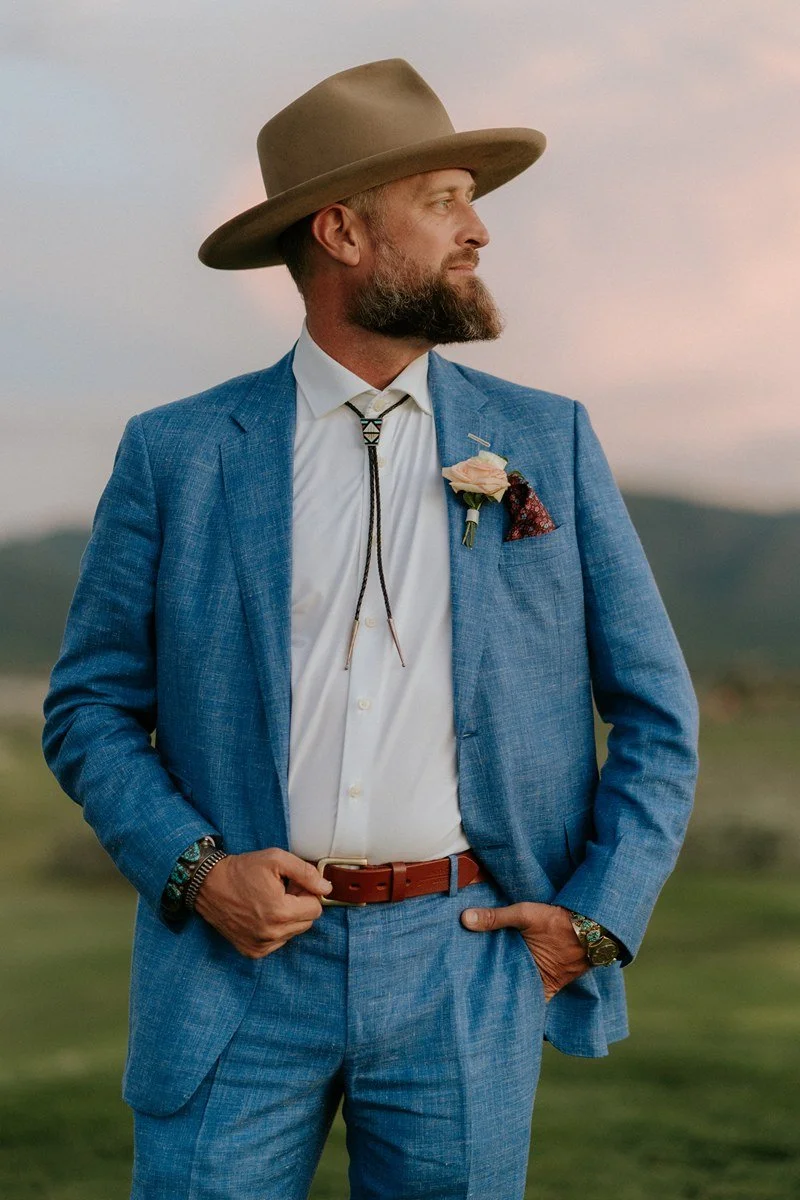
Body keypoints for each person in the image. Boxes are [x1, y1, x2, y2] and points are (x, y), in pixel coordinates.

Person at [42, 57, 699, 1199]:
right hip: (234, 969)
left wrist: (591, 919)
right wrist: (196, 873)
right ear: (341, 231)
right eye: (443, 199)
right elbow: (90, 707)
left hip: (465, 962)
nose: (477, 231)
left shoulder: (552, 441)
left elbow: (653, 710)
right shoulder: (178, 452)